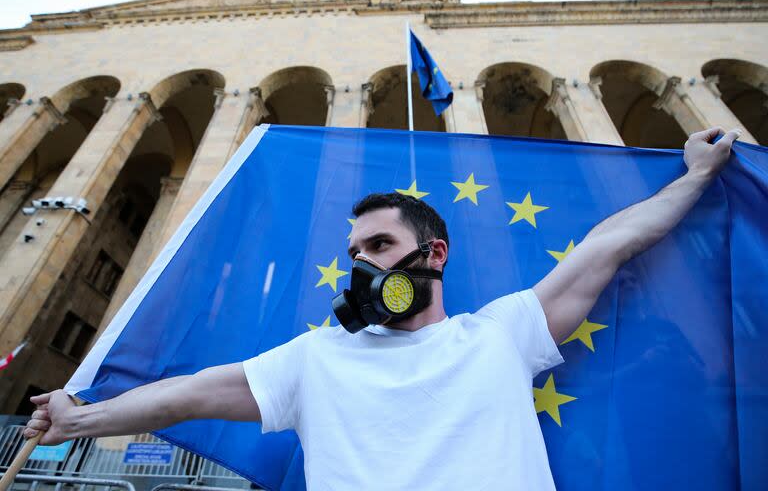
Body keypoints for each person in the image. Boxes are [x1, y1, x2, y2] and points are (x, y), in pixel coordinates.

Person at [24, 127, 741, 490]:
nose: (362, 261)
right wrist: (80, 417)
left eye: (379, 243)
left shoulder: (497, 334)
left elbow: (610, 246)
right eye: (355, 248)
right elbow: (181, 397)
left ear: (434, 254)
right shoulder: (314, 358)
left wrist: (699, 176)